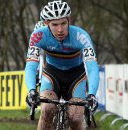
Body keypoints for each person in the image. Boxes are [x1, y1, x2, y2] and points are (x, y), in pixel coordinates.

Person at [25, 0, 100, 130]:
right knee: (47, 110)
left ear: (69, 20)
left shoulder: (81, 36)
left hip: (76, 77)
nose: (60, 29)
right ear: (46, 23)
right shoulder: (38, 36)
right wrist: (32, 91)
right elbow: (31, 66)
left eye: (63, 23)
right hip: (52, 74)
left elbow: (92, 67)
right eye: (55, 24)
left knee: (75, 118)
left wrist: (92, 94)